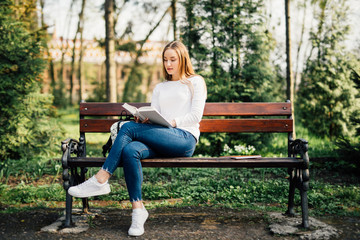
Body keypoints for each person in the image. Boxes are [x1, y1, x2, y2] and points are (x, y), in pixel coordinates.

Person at [68, 40, 207, 237]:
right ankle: (138, 210)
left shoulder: (195, 82)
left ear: (182, 59)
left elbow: (195, 116)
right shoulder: (160, 87)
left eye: (173, 60)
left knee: (127, 128)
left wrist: (171, 122)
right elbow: (155, 114)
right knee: (130, 150)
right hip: (160, 137)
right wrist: (144, 120)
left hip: (184, 139)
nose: (168, 64)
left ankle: (101, 178)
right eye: (165, 60)